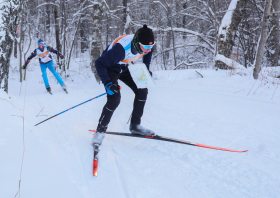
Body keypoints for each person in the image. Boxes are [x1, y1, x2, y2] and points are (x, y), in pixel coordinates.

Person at [92, 24, 155, 145]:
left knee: (142, 90)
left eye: (151, 46)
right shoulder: (121, 49)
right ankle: (99, 132)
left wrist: (146, 69)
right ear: (138, 43)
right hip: (110, 67)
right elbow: (99, 63)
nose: (149, 49)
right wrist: (107, 84)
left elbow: (147, 54)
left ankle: (135, 126)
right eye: (147, 46)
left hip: (123, 66)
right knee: (114, 98)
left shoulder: (145, 46)